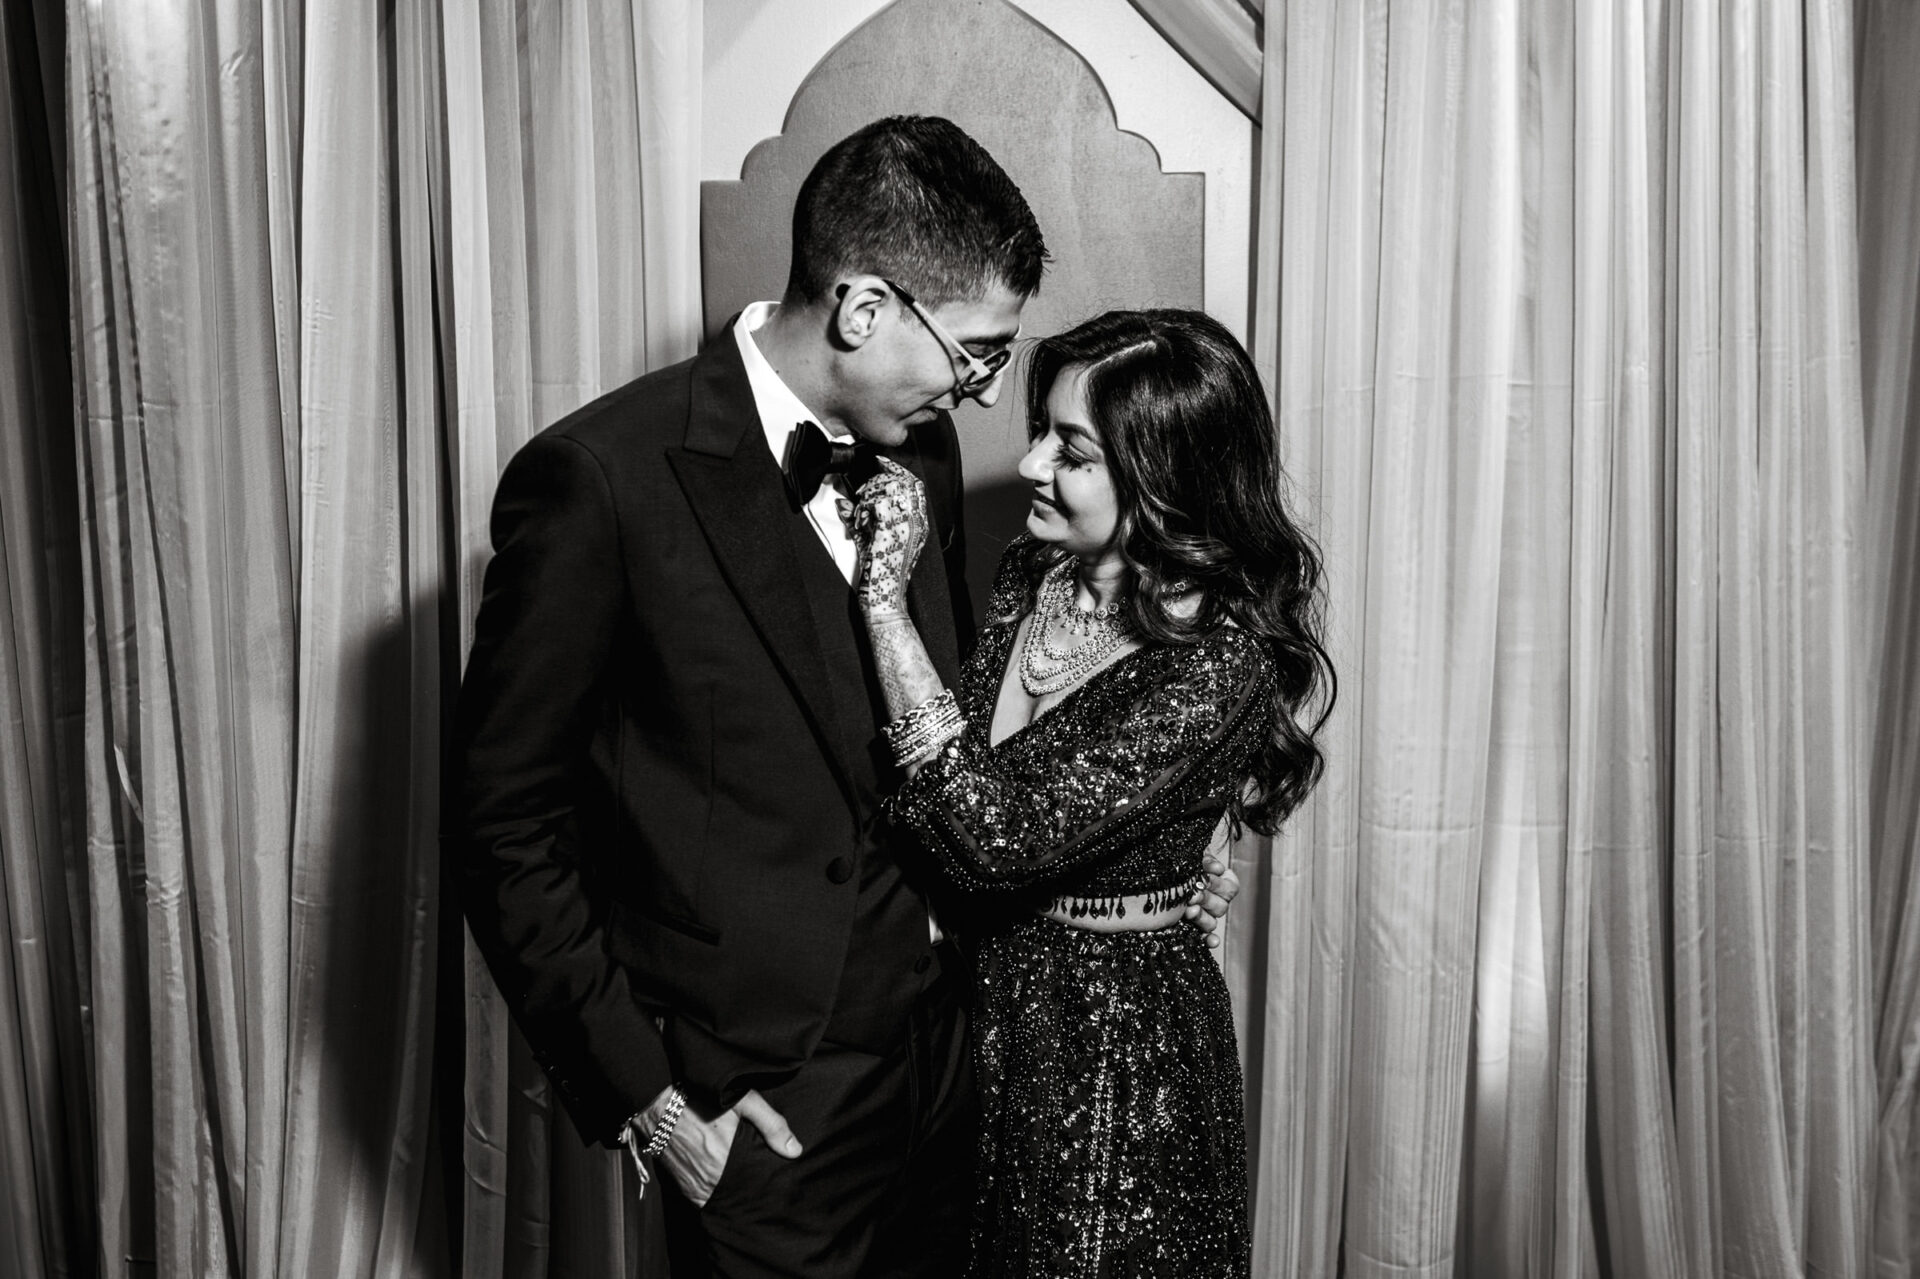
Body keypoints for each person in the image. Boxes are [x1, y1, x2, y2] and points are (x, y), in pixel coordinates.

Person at [450, 118, 1236, 1277]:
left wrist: (1164, 849)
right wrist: (655, 1100)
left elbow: (969, 741)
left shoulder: (911, 452)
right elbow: (503, 824)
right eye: (974, 353)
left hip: (964, 1070)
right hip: (767, 1108)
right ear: (866, 309)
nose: (979, 398)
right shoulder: (599, 481)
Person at [851, 308, 1332, 1277]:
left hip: (1120, 1045)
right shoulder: (1030, 570)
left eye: (1068, 449)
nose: (1028, 463)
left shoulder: (1220, 659)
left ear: (1162, 478)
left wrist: (883, 611)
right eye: (1040, 432)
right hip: (978, 1012)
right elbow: (970, 790)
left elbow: (992, 833)